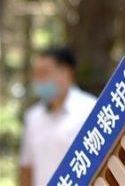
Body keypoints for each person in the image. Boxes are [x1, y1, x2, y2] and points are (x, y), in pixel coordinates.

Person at [19, 47, 96, 186]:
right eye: (36, 74)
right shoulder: (33, 117)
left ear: (66, 74)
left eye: (44, 73)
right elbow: (27, 168)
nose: (38, 80)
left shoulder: (90, 110)